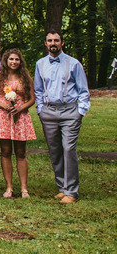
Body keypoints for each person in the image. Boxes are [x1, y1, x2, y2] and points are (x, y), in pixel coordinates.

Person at [34, 31, 90, 204]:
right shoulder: (40, 64)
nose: (53, 43)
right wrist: (40, 110)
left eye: (56, 40)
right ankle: (62, 187)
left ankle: (72, 191)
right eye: (50, 40)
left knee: (68, 148)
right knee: (55, 150)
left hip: (69, 112)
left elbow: (83, 91)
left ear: (62, 43)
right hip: (49, 112)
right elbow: (38, 89)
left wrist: (80, 112)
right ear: (45, 43)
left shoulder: (73, 64)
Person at [0, 48, 37, 198]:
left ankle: (24, 188)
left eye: (17, 59)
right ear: (6, 61)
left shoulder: (25, 77)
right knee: (6, 151)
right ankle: (9, 187)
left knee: (21, 153)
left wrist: (21, 107)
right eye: (11, 59)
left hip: (20, 116)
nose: (14, 62)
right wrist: (3, 106)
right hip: (2, 115)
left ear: (20, 62)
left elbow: (32, 99)